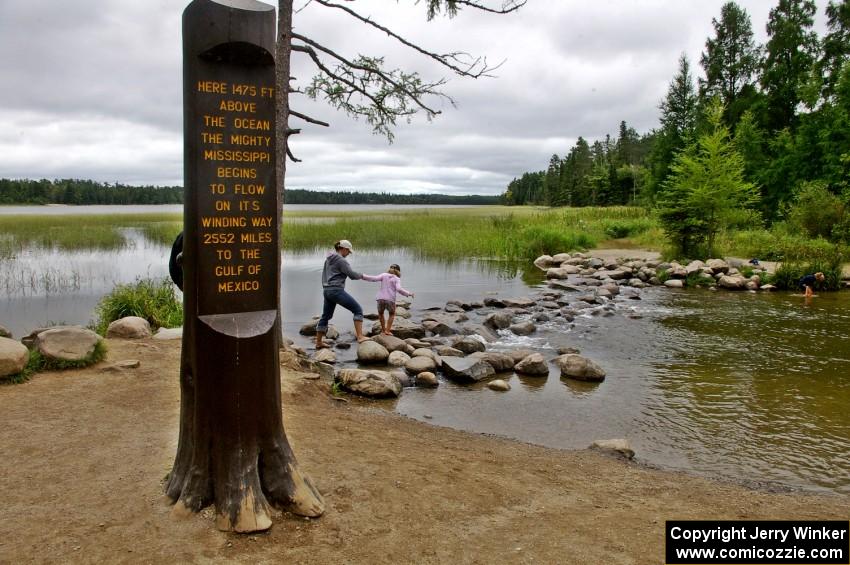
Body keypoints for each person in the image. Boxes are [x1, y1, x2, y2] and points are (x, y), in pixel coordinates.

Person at [315, 239, 373, 348]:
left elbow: (324, 274)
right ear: (343, 249)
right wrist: (364, 276)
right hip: (336, 290)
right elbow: (351, 275)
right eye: (348, 251)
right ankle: (360, 337)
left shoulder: (328, 259)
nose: (348, 254)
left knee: (326, 316)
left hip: (327, 290)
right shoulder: (341, 260)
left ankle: (318, 342)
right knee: (358, 310)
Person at [362, 264, 414, 336]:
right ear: (398, 271)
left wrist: (362, 276)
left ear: (389, 269)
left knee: (381, 314)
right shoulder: (397, 278)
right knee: (392, 314)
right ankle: (387, 331)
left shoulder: (383, 275)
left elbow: (373, 278)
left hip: (380, 298)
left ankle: (383, 330)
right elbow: (399, 289)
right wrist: (408, 293)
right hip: (390, 299)